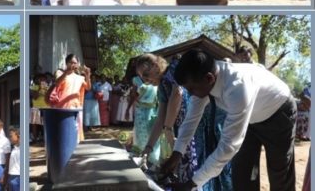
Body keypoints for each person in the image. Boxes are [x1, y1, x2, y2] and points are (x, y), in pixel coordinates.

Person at [161, 49, 296, 191]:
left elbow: (228, 147)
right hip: (250, 118)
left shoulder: (237, 88)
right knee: (243, 173)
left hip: (278, 112)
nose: (190, 94)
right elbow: (190, 121)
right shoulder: (204, 80)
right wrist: (177, 154)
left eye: (192, 89)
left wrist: (192, 184)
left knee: (279, 172)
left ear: (209, 78)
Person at [137, 55, 232, 188]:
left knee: (212, 165)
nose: (145, 80)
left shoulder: (174, 70)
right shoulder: (161, 88)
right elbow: (160, 119)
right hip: (187, 130)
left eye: (146, 74)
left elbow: (177, 93)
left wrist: (168, 128)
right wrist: (148, 149)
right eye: (142, 77)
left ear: (156, 65)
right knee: (189, 169)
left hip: (204, 125)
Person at [51, 54, 92, 141]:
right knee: (64, 130)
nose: (73, 65)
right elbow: (57, 83)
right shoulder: (60, 73)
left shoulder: (80, 77)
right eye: (71, 62)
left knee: (75, 130)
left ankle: (74, 150)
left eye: (75, 63)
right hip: (62, 107)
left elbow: (88, 87)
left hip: (76, 106)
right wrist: (65, 72)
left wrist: (88, 75)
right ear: (67, 63)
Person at [126, 66, 159, 164]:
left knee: (150, 131)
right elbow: (134, 95)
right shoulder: (136, 80)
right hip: (140, 110)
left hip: (152, 111)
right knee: (140, 131)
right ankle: (141, 154)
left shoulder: (156, 83)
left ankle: (149, 156)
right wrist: (128, 109)